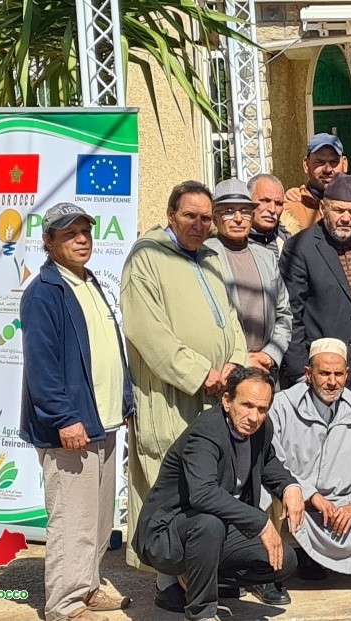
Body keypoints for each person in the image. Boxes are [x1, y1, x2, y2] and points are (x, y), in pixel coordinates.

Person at [122, 181, 248, 572]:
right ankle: (167, 579)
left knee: (207, 483)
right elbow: (147, 331)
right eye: (190, 216)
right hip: (172, 395)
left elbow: (230, 319)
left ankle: (202, 570)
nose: (198, 225)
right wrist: (198, 373)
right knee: (170, 486)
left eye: (206, 218)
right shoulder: (146, 257)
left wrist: (235, 364)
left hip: (215, 392)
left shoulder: (210, 257)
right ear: (171, 214)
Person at [21, 203, 133, 621]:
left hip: (101, 422)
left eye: (85, 231)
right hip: (71, 427)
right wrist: (63, 418)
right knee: (72, 520)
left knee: (98, 519)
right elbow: (41, 366)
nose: (82, 239)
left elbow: (106, 347)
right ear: (49, 242)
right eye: (70, 234)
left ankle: (87, 586)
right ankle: (65, 604)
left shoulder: (87, 281)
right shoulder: (44, 292)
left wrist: (124, 402)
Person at [133, 367, 304, 621]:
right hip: (169, 532)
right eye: (246, 405)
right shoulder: (206, 432)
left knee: (283, 560)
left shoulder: (260, 428)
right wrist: (261, 522)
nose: (253, 416)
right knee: (209, 524)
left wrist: (290, 487)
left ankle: (197, 578)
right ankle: (200, 611)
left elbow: (267, 461)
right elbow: (203, 494)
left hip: (218, 528)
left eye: (262, 409)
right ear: (226, 400)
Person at [267, 339, 351, 581]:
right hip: (293, 498)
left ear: (347, 374)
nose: (332, 381)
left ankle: (318, 556)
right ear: (308, 374)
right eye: (324, 373)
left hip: (339, 504)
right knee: (266, 502)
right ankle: (276, 567)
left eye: (338, 374)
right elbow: (271, 459)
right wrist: (309, 495)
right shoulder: (282, 406)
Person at [279, 174, 351, 398]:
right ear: (323, 208)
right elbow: (291, 314)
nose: (346, 218)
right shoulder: (301, 248)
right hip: (324, 372)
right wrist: (300, 373)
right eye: (338, 210)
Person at [204, 178, 293, 377]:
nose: (238, 218)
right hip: (224, 368)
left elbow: (284, 313)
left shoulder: (266, 256)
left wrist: (270, 354)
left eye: (245, 211)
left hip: (265, 367)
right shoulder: (203, 257)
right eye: (228, 211)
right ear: (215, 217)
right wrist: (242, 358)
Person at [281, 133, 351, 236]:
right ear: (306, 164)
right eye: (319, 162)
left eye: (334, 162)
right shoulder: (289, 211)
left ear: (345, 164)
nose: (327, 169)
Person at [247, 173, 289, 258]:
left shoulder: (290, 245)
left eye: (278, 203)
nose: (272, 210)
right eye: (265, 201)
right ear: (248, 201)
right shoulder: (230, 244)